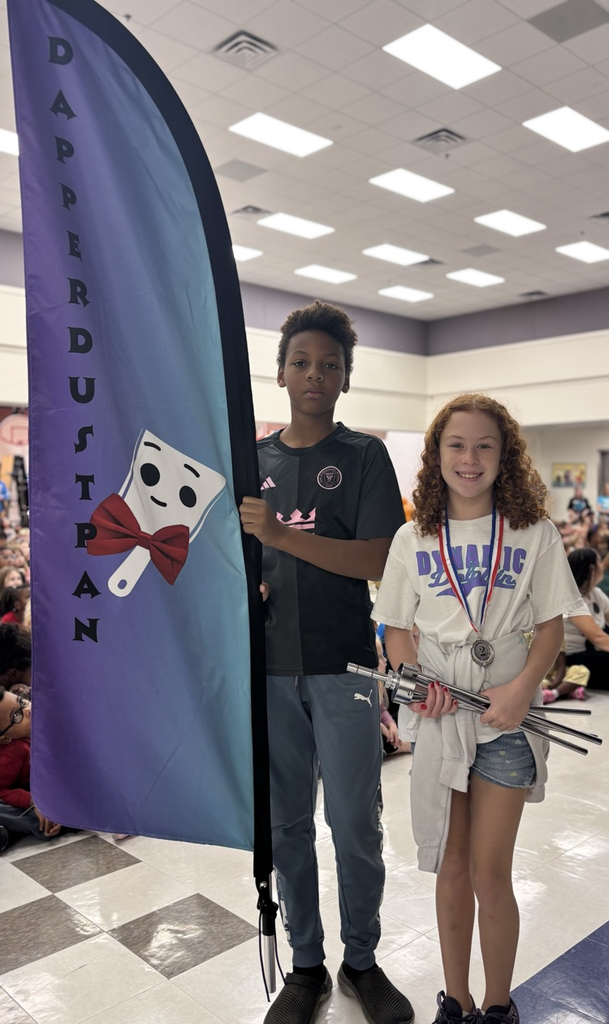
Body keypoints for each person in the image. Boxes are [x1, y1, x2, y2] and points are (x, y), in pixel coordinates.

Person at [373, 393, 584, 1024]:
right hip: (441, 712)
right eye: (456, 446)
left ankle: (498, 1005)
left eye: (484, 446)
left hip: (506, 715)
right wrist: (415, 678)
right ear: (436, 455)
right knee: (451, 866)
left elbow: (550, 627)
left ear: (505, 455)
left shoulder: (534, 532)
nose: (470, 459)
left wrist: (521, 692)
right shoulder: (414, 537)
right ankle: (455, 1001)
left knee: (492, 873)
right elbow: (396, 628)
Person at [239, 300, 412, 1024]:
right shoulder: (251, 460)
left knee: (354, 822)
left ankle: (361, 960)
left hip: (344, 667)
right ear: (280, 372)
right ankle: (304, 967)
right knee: (284, 826)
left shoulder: (364, 455)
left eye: (330, 364)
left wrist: (283, 534)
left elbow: (378, 558)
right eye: (302, 362)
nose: (315, 374)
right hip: (270, 668)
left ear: (346, 378)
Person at [0, 686, 62, 850]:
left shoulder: (39, 725)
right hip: (19, 794)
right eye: (16, 715)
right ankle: (47, 822)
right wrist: (33, 801)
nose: (27, 710)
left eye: (22, 701)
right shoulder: (13, 752)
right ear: (4, 738)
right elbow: (2, 790)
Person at [563, 547, 609, 689]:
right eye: (600, 562)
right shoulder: (571, 599)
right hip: (575, 658)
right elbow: (598, 638)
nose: (603, 567)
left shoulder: (596, 592)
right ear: (592, 569)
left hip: (595, 650)